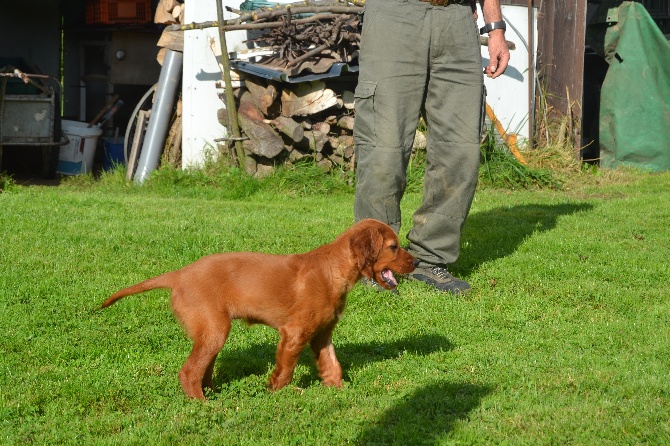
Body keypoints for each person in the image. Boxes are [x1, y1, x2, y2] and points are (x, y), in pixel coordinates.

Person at [353, 0, 510, 294]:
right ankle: (373, 260)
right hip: (395, 15)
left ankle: (430, 258)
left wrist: (495, 28)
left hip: (457, 19)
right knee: (383, 149)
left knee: (460, 149)